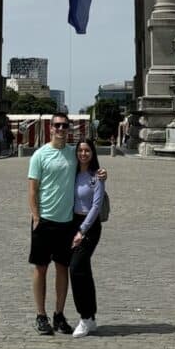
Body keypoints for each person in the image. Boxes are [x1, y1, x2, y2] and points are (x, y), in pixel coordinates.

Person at [27, 111, 107, 336]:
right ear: (50, 128)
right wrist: (35, 217)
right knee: (40, 269)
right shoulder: (39, 155)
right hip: (44, 221)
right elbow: (32, 190)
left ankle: (59, 315)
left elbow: (87, 159)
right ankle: (41, 315)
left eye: (64, 126)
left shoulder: (74, 153)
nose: (61, 129)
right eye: (57, 126)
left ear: (68, 129)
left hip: (67, 223)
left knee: (63, 269)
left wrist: (102, 172)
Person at [69, 138, 104, 337]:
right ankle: (90, 317)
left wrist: (82, 230)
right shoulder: (71, 174)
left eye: (87, 150)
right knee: (84, 271)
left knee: (76, 268)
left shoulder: (97, 176)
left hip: (89, 227)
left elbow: (96, 206)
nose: (83, 154)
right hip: (71, 223)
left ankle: (84, 317)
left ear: (93, 153)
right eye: (80, 150)